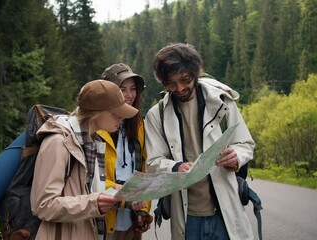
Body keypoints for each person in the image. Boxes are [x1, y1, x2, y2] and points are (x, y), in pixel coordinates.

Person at [144, 43, 256, 240]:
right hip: (188, 219)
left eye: (185, 80)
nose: (179, 88)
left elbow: (245, 144)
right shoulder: (156, 115)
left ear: (195, 73)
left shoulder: (223, 102)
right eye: (171, 83)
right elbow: (153, 163)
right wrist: (176, 167)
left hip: (224, 212)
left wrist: (236, 156)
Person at [30, 80, 138, 240]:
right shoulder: (58, 143)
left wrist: (113, 192)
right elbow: (43, 206)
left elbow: (83, 191)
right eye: (116, 112)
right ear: (98, 113)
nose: (121, 117)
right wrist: (94, 203)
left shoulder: (92, 142)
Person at [98, 63, 153, 240]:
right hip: (103, 218)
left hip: (131, 219)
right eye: (122, 89)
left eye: (133, 89)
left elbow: (144, 169)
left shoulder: (137, 124)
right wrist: (124, 197)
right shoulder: (96, 126)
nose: (129, 95)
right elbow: (88, 178)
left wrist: (143, 209)